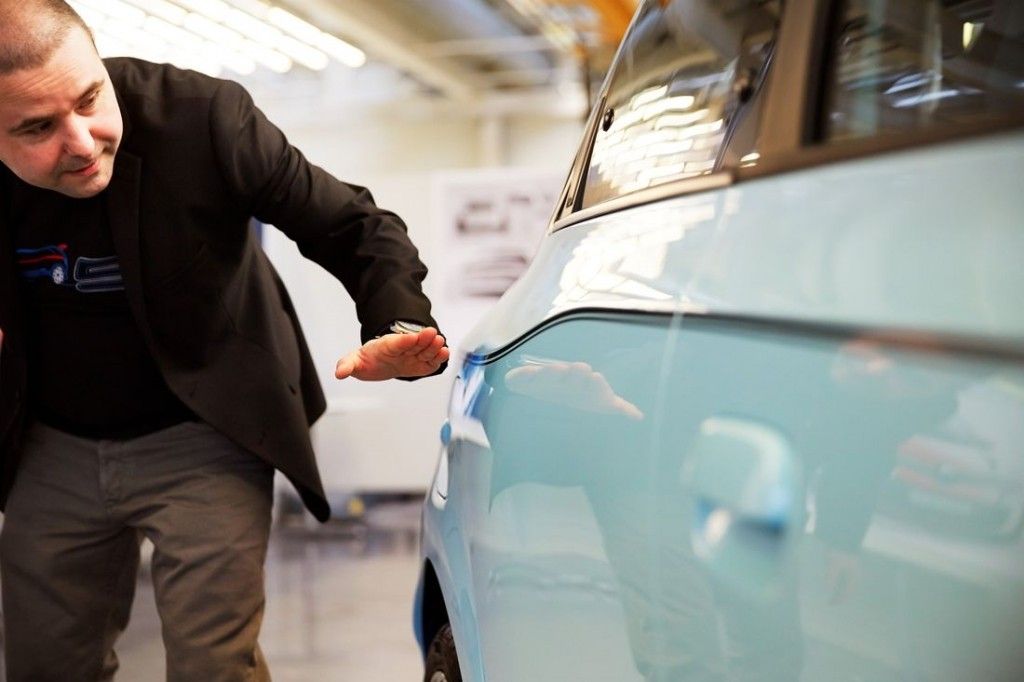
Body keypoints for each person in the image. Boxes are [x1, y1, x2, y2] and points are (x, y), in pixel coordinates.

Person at [0, 1, 449, 679]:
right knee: (45, 664)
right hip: (51, 441)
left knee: (213, 665)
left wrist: (398, 325)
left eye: (90, 99)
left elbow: (354, 226)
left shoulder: (201, 119)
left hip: (205, 427)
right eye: (38, 127)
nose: (83, 143)